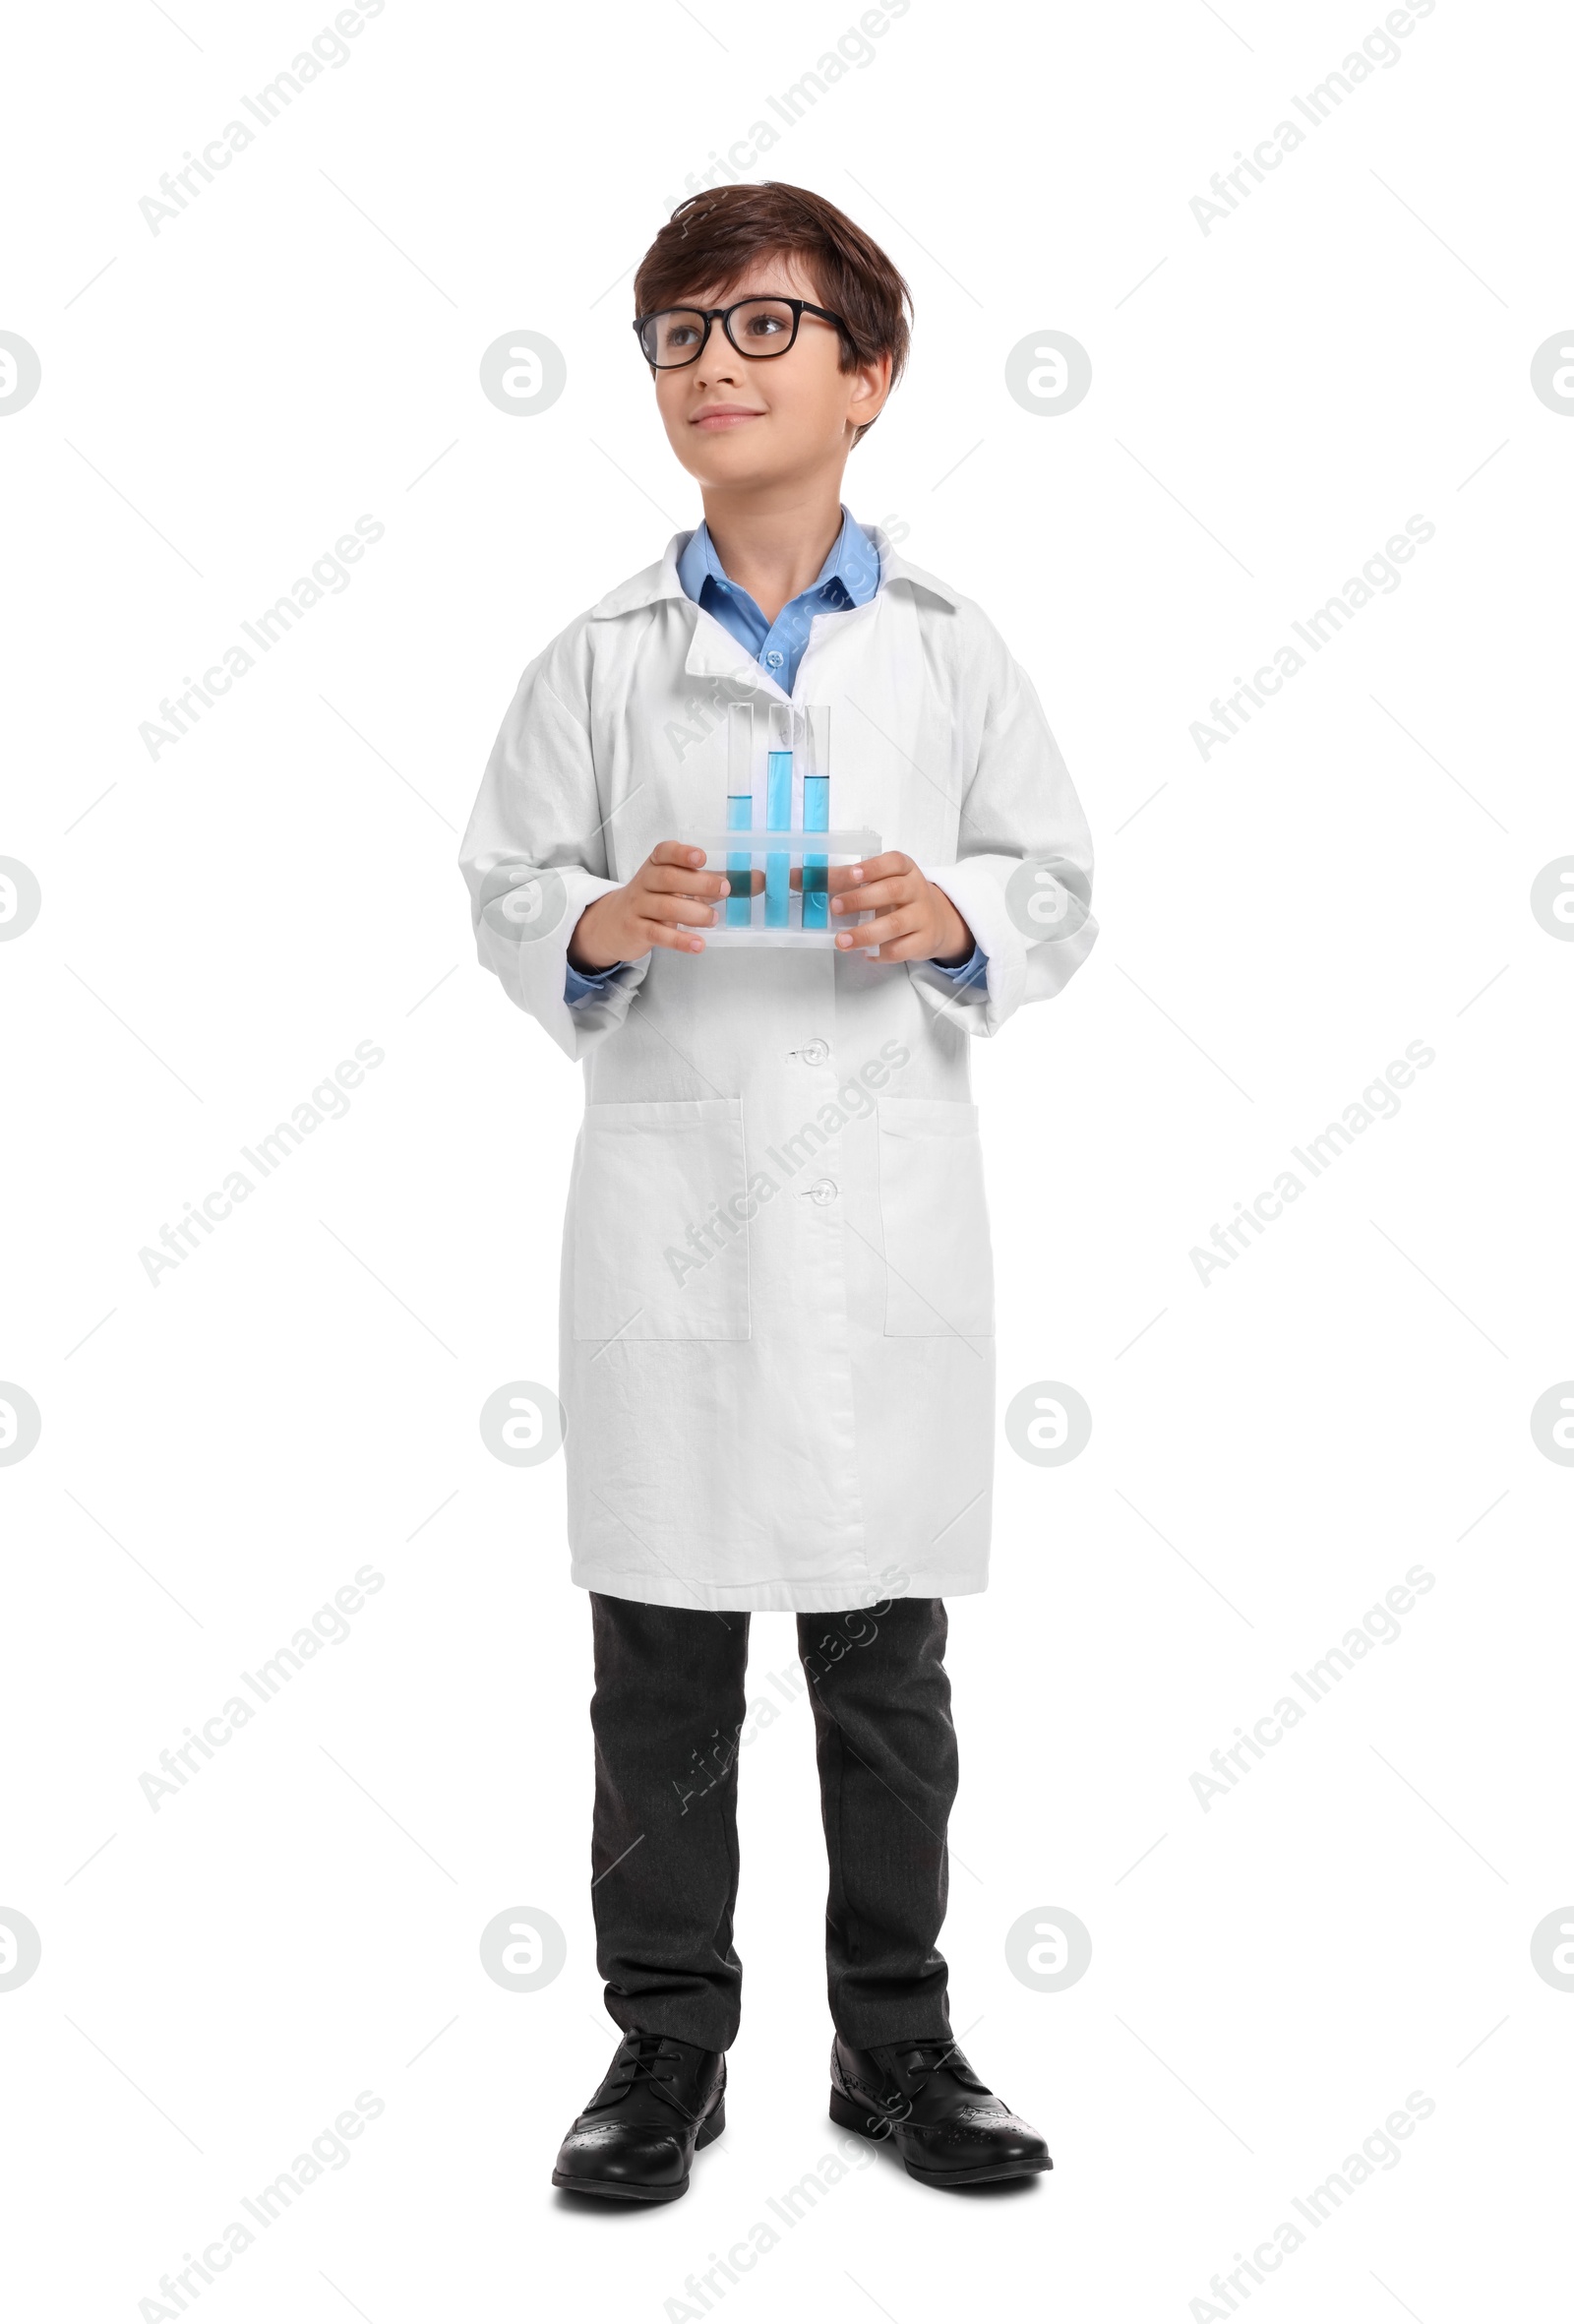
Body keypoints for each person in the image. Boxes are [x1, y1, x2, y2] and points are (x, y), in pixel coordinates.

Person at [457, 181, 1097, 2202]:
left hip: (878, 1224)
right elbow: (501, 879)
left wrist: (953, 906)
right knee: (657, 1666)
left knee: (879, 1665)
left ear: (866, 369)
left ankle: (895, 2042)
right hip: (671, 1216)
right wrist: (596, 918)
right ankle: (662, 2045)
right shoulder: (597, 656)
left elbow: (1054, 874)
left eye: (757, 326)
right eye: (675, 335)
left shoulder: (947, 648)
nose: (711, 366)